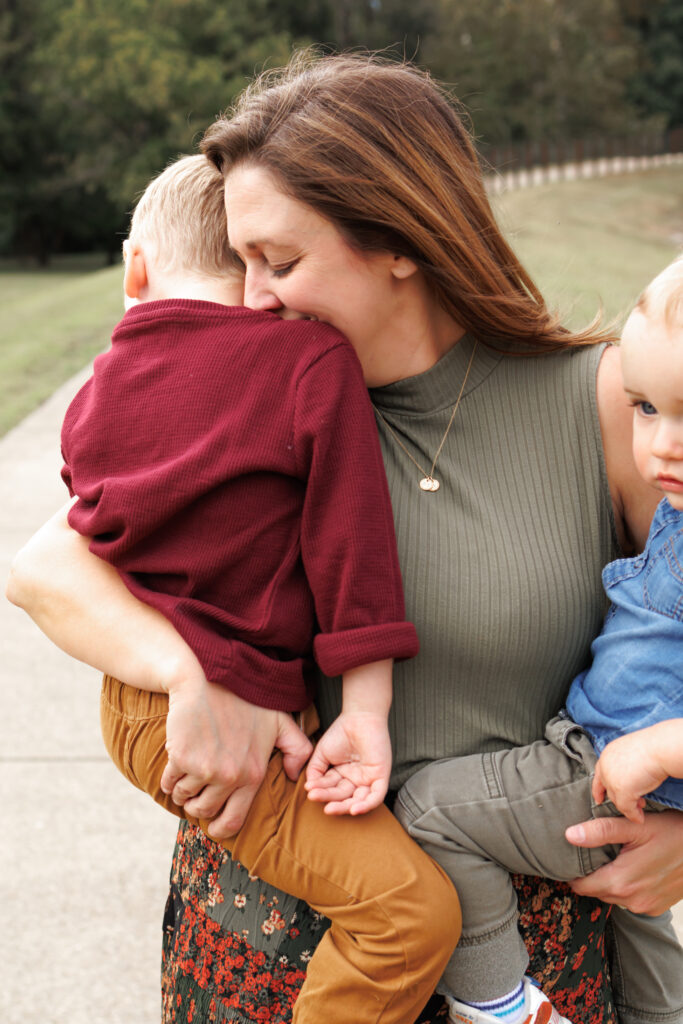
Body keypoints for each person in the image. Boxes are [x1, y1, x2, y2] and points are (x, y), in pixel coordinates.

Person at [7, 51, 683, 1024]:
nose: (250, 298)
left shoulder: (609, 404)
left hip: (527, 976)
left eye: (277, 262)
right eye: (238, 262)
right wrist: (192, 672)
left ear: (398, 238)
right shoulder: (248, 399)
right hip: (256, 956)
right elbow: (44, 568)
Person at [54, 150, 462, 1024]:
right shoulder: (307, 363)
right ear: (250, 275)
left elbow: (94, 530)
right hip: (207, 718)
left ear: (135, 266)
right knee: (407, 918)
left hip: (134, 709)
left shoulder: (99, 388)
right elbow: (349, 549)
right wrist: (365, 707)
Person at [394, 255, 683, 1024]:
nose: (660, 445)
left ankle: (496, 1003)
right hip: (618, 761)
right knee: (641, 921)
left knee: (428, 810)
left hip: (609, 764)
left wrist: (663, 750)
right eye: (645, 408)